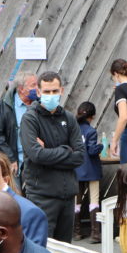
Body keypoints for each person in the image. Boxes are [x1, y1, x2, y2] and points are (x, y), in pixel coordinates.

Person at [20, 71, 84, 242]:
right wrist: (66, 150)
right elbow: (36, 155)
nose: (51, 95)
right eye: (47, 92)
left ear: (61, 91)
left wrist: (50, 152)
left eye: (55, 91)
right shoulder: (30, 119)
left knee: (65, 251)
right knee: (42, 248)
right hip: (42, 196)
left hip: (68, 196)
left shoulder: (69, 118)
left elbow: (80, 156)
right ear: (39, 93)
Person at [0, 72, 38, 176]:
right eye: (33, 85)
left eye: (38, 84)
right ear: (21, 89)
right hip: (14, 162)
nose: (37, 88)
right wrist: (10, 158)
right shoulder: (4, 106)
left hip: (35, 162)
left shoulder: (40, 105)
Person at [75, 101, 102, 242]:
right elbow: (92, 151)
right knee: (94, 200)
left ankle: (77, 232)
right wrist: (101, 147)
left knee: (76, 201)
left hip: (76, 169)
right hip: (91, 169)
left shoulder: (72, 130)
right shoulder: (91, 131)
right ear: (92, 116)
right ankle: (95, 234)